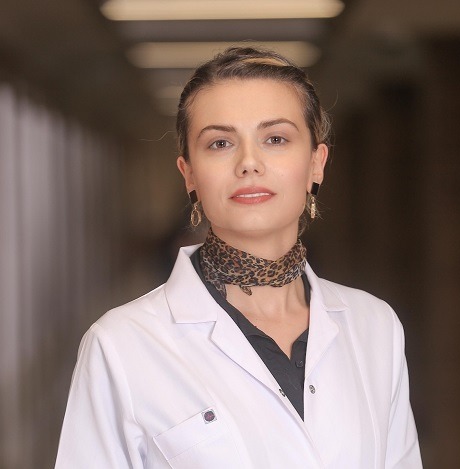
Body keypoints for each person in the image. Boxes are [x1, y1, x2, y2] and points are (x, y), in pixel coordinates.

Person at [55, 46, 422, 468]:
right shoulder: (121, 345)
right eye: (220, 143)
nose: (249, 163)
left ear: (316, 164)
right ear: (190, 174)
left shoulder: (375, 326)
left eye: (276, 139)